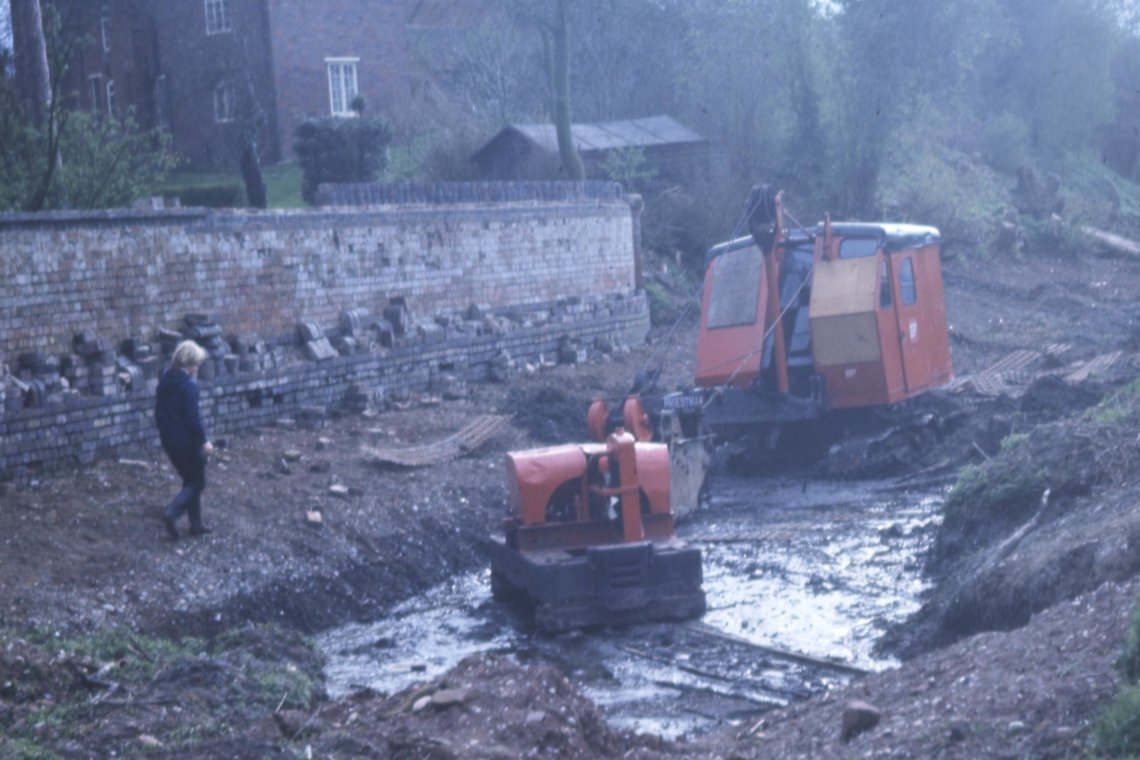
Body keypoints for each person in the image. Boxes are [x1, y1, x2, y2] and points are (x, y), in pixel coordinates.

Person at [155, 340, 215, 539]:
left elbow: (158, 414)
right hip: (187, 443)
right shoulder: (189, 386)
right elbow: (192, 419)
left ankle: (196, 525)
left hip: (169, 441)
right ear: (189, 363)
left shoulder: (165, 380)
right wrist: (203, 442)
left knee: (190, 479)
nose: (197, 367)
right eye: (196, 363)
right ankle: (172, 512)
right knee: (197, 482)